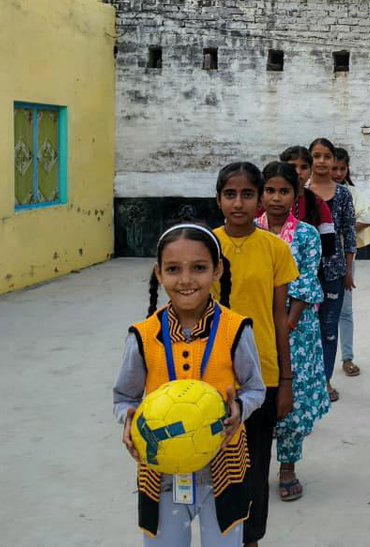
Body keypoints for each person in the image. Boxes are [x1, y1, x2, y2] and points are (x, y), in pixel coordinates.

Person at [112, 224, 265, 546]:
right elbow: (124, 396)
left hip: (224, 466)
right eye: (173, 269)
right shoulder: (142, 335)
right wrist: (128, 419)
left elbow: (255, 388)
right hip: (160, 469)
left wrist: (239, 407)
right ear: (158, 273)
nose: (185, 280)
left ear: (217, 270)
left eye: (198, 268)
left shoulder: (236, 329)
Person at [211, 162, 299, 547]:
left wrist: (285, 381)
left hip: (259, 374)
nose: (239, 203)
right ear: (218, 199)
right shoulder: (204, 245)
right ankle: (217, 535)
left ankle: (250, 539)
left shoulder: (275, 249)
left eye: (248, 194)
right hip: (209, 374)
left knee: (254, 465)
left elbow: (279, 317)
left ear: (260, 199)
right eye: (230, 194)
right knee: (212, 465)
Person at [258, 162, 330, 502]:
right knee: (253, 395)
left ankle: (287, 466)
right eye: (269, 190)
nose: (276, 197)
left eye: (283, 191)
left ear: (295, 194)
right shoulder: (251, 232)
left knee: (291, 399)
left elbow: (305, 282)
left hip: (295, 331)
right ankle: (251, 465)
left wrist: (286, 323)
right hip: (253, 329)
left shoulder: (306, 235)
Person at [305, 138, 357, 403]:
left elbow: (349, 233)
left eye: (327, 156)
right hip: (303, 272)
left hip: (334, 271)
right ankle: (305, 380)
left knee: (328, 328)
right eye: (317, 156)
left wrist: (348, 270)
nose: (322, 161)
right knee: (304, 328)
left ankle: (324, 380)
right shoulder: (299, 192)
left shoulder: (343, 194)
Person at [332, 147, 370, 377]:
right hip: (313, 259)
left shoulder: (350, 193)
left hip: (344, 257)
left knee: (345, 310)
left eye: (342, 168)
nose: (338, 173)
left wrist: (343, 228)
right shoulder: (310, 192)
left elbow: (369, 217)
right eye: (334, 168)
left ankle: (347, 357)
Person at [279, 146, 336, 257]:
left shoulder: (316, 203)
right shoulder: (267, 200)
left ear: (310, 171)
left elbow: (328, 245)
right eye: (292, 166)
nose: (298, 172)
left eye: (304, 167)